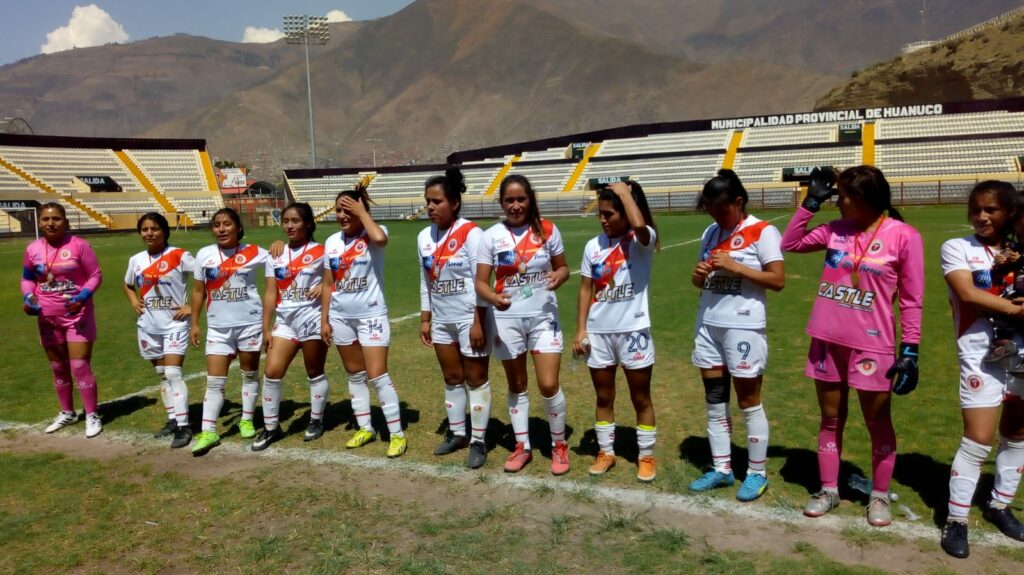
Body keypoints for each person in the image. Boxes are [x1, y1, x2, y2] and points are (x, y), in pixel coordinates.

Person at [781, 166, 923, 527]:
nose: (837, 201)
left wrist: (910, 349)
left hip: (872, 346)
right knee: (830, 419)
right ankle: (829, 489)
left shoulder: (904, 236)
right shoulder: (834, 230)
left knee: (878, 421)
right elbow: (791, 243)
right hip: (826, 339)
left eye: (843, 196)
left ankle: (878, 496)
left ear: (865, 200)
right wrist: (809, 203)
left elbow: (911, 299)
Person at [938, 181, 1024, 558]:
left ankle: (999, 506)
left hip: (1022, 350)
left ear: (1009, 213)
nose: (982, 216)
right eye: (976, 209)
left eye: (991, 209)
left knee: (1018, 433)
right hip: (979, 355)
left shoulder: (1020, 248)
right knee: (978, 439)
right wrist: (1016, 310)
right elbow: (968, 294)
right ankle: (956, 519)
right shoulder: (958, 248)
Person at [689, 169, 784, 501]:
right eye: (710, 209)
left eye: (721, 208)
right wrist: (699, 274)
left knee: (748, 401)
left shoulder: (763, 231)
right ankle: (722, 468)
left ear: (739, 202)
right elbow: (700, 281)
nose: (715, 214)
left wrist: (737, 267)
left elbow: (777, 280)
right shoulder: (711, 232)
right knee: (715, 400)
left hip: (743, 326)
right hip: (709, 324)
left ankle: (756, 473)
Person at [476, 174, 571, 475]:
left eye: (521, 199)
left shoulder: (548, 230)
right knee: (517, 384)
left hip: (543, 315)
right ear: (502, 203)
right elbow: (480, 282)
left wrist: (560, 276)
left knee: (548, 383)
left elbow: (564, 267)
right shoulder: (491, 236)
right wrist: (493, 297)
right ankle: (522, 446)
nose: (515, 206)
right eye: (509, 200)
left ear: (530, 200)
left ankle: (559, 445)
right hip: (505, 318)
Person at [573, 181, 660, 482]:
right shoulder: (592, 247)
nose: (603, 219)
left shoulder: (641, 241)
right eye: (600, 214)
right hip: (599, 334)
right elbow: (586, 289)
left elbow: (642, 227)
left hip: (633, 331)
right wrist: (581, 329)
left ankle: (646, 455)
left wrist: (625, 193)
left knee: (641, 398)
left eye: (609, 213)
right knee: (603, 396)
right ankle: (606, 452)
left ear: (626, 212)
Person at [321, 183, 407, 458]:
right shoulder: (332, 243)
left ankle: (396, 434)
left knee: (377, 375)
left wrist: (363, 213)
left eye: (348, 210)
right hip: (341, 316)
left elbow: (381, 239)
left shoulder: (372, 235)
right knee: (355, 375)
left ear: (361, 210)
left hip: (371, 315)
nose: (342, 215)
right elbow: (327, 284)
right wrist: (325, 320)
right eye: (338, 210)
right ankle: (365, 427)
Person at [417, 169, 492, 468]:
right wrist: (426, 318)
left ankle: (478, 440)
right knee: (451, 378)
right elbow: (426, 281)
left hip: (468, 318)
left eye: (437, 201)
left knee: (475, 379)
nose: (430, 207)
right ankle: (458, 433)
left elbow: (481, 281)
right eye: (428, 202)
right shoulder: (423, 237)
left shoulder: (472, 234)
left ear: (455, 203)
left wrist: (477, 321)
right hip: (442, 320)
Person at [189, 207, 272, 455]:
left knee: (249, 374)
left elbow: (284, 259)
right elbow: (197, 291)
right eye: (217, 225)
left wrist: (279, 243)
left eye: (227, 224)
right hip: (218, 328)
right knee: (214, 381)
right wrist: (194, 322)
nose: (221, 229)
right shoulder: (204, 255)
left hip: (250, 324)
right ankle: (209, 431)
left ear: (238, 227)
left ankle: (246, 419)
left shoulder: (255, 252)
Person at [21, 202, 103, 438]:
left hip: (77, 315)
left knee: (79, 365)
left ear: (65, 222)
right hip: (47, 317)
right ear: (39, 222)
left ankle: (91, 415)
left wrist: (83, 296)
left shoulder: (79, 245)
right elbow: (27, 278)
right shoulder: (32, 249)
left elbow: (95, 275)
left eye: (56, 218)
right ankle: (67, 412)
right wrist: (28, 297)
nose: (51, 223)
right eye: (46, 219)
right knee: (58, 368)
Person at [253, 202, 330, 451]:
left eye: (295, 221)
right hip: (285, 322)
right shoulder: (274, 254)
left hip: (312, 318)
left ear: (308, 223)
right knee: (272, 371)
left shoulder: (322, 250)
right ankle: (271, 427)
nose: (289, 225)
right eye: (285, 221)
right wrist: (266, 328)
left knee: (314, 371)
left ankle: (316, 420)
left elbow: (342, 275)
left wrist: (326, 286)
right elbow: (270, 292)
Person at [123, 212, 194, 448]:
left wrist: (192, 305)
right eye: (144, 229)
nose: (149, 233)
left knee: (173, 373)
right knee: (162, 374)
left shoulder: (179, 255)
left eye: (154, 229)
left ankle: (184, 427)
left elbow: (204, 277)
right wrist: (133, 301)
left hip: (175, 323)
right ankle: (173, 419)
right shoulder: (136, 260)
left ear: (164, 231)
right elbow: (127, 284)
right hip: (148, 325)